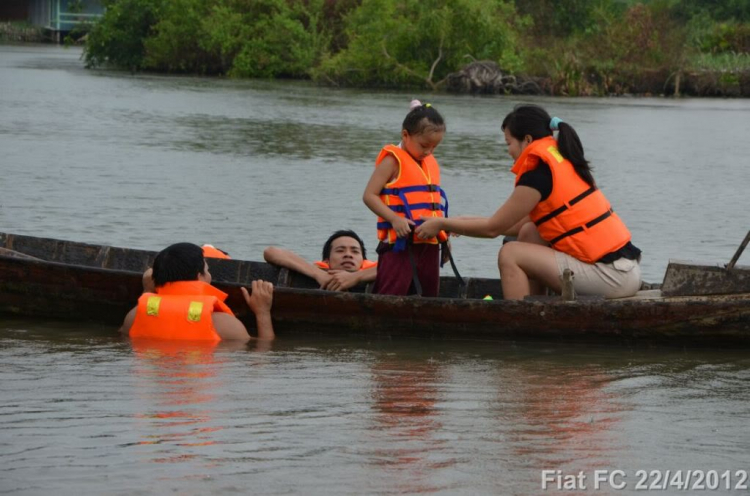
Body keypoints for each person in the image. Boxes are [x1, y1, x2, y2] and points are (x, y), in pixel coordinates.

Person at [416, 104, 642, 300]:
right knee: (529, 232)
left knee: (510, 253)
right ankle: (534, 303)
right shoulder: (560, 160)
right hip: (625, 271)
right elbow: (511, 224)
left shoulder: (538, 175)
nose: (508, 151)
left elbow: (494, 228)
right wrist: (455, 221)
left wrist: (443, 225)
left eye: (508, 143)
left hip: (610, 277)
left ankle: (520, 320)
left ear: (527, 140)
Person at [362, 100, 449, 297]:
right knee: (391, 295)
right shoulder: (392, 160)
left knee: (429, 297)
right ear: (405, 135)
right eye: (424, 145)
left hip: (429, 244)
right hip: (399, 245)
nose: (428, 152)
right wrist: (394, 219)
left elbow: (433, 207)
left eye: (434, 147)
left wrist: (444, 237)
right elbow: (369, 195)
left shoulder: (428, 162)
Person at [120, 242, 274, 342]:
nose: (209, 274)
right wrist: (262, 312)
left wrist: (147, 290)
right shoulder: (224, 325)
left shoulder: (133, 316)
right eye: (207, 270)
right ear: (199, 276)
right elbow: (265, 351)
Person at [263, 230, 377, 292]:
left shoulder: (377, 271)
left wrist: (356, 277)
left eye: (355, 251)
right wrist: (318, 274)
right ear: (327, 260)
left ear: (363, 260)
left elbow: (395, 268)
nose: (348, 255)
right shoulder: (318, 271)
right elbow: (271, 252)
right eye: (340, 250)